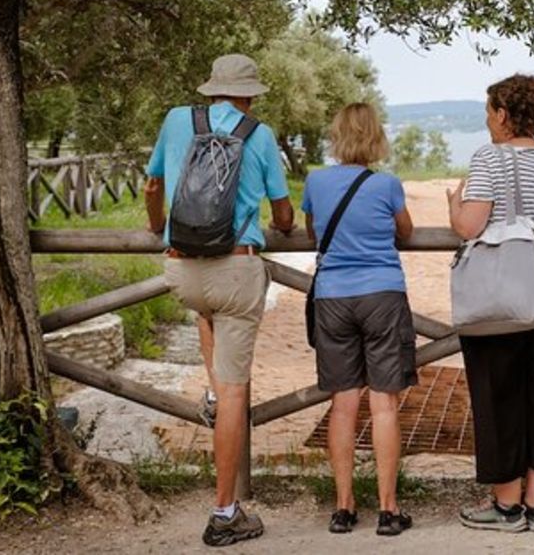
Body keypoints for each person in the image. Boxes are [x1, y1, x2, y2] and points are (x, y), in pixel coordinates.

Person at [144, 53, 294, 547]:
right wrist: (286, 226)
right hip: (237, 267)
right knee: (236, 391)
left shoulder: (174, 119)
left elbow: (152, 183)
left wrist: (155, 225)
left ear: (211, 91)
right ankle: (225, 511)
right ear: (248, 94)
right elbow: (283, 211)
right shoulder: (261, 134)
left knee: (205, 310)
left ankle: (209, 393)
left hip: (182, 269)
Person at [447, 74, 534, 534]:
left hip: (499, 301)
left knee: (497, 397)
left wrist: (453, 204)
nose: (486, 122)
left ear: (502, 114)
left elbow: (469, 226)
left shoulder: (488, 158)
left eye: (488, 113)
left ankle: (506, 507)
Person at [302, 103, 417, 537]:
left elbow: (314, 231)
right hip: (382, 294)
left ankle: (344, 507)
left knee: (343, 404)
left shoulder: (316, 181)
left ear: (337, 137)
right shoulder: (387, 184)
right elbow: (404, 231)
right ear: (376, 138)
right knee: (384, 402)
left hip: (333, 296)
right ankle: (388, 510)